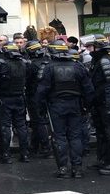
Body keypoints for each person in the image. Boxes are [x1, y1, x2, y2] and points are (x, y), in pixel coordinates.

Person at [36, 41, 94, 178]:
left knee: (59, 136)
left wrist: (40, 108)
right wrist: (87, 106)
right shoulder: (78, 66)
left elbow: (41, 91)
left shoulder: (48, 68)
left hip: (56, 105)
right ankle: (77, 168)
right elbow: (89, 89)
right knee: (75, 136)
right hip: (75, 104)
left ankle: (63, 168)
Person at [84, 35, 110, 175]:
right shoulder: (97, 60)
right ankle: (104, 159)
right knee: (101, 132)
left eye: (93, 47)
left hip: (107, 103)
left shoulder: (106, 62)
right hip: (100, 102)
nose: (90, 50)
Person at [0, 44, 32, 163]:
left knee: (5, 126)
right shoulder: (24, 63)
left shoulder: (1, 64)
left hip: (5, 98)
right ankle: (24, 154)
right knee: (21, 126)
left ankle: (5, 155)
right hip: (19, 97)